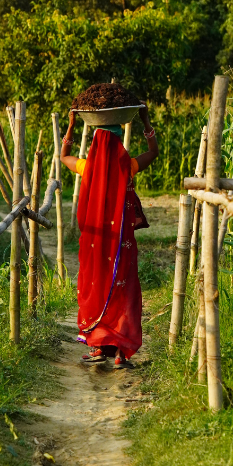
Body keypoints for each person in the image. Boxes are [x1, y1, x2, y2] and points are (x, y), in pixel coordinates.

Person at [60, 105, 158, 368]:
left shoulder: (86, 166)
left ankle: (97, 346)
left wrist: (71, 125)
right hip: (121, 244)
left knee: (97, 283)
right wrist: (145, 121)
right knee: (122, 289)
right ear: (118, 143)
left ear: (95, 144)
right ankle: (119, 352)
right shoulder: (129, 166)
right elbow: (153, 152)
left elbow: (63, 156)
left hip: (96, 241)